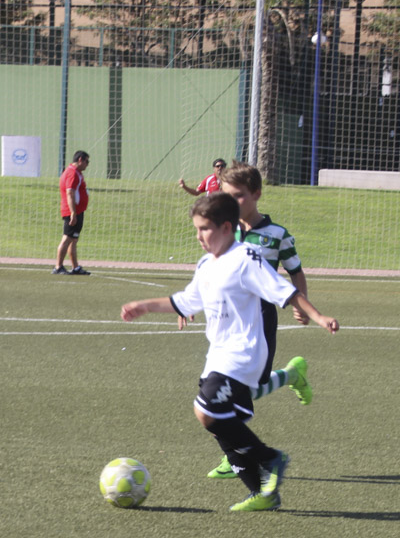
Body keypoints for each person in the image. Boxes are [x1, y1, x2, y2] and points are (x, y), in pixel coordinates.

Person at [121, 193, 339, 512]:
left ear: (227, 227)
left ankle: (270, 458)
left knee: (206, 411)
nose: (199, 236)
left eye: (205, 229)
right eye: (196, 229)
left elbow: (286, 291)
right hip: (219, 355)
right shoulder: (207, 264)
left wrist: (319, 317)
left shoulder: (245, 258)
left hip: (244, 352)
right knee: (221, 425)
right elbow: (186, 301)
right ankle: (261, 492)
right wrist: (144, 306)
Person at [201, 160, 314, 480]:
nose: (230, 203)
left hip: (260, 319)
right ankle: (234, 452)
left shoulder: (277, 236)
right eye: (225, 196)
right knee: (222, 389)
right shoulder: (226, 229)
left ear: (256, 194)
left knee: (242, 390)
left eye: (237, 196)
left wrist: (301, 305)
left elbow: (296, 272)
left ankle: (291, 377)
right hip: (226, 319)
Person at [54, 150, 92, 276]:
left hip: (78, 211)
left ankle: (75, 267)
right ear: (80, 160)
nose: (88, 164)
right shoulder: (72, 173)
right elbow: (69, 193)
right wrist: (72, 213)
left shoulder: (77, 173)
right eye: (87, 161)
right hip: (72, 211)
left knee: (73, 239)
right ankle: (58, 266)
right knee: (67, 238)